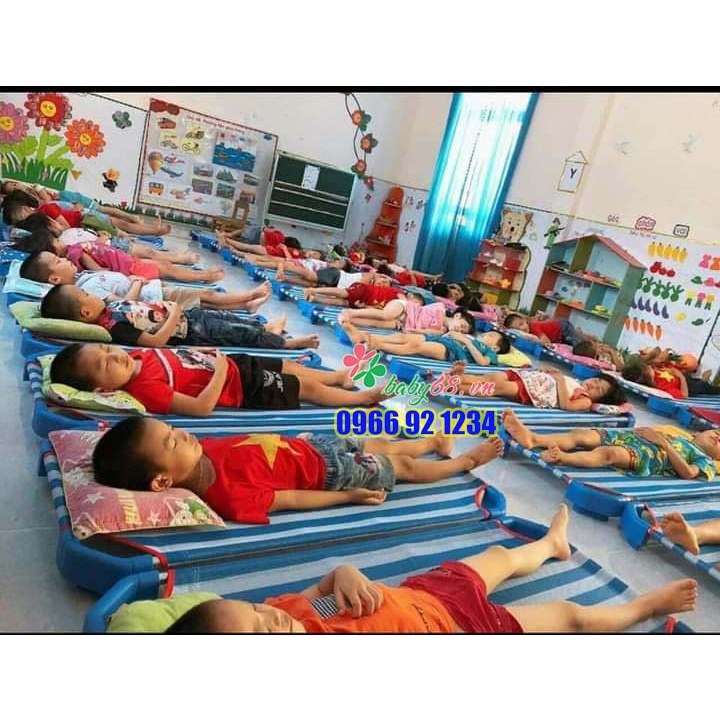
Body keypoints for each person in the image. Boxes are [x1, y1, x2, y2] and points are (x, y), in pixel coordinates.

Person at [159, 504, 698, 633]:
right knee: (568, 615)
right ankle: (645, 607)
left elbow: (320, 590)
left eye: (254, 608)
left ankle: (551, 544)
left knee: (499, 558)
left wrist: (343, 572)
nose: (271, 616)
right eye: (259, 631)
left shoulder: (287, 611)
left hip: (424, 592)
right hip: (461, 627)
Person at [91, 417, 504, 524]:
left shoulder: (200, 450)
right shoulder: (229, 499)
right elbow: (291, 498)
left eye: (172, 430)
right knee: (403, 467)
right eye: (171, 442)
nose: (182, 434)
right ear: (163, 481)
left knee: (376, 442)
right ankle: (465, 461)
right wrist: (347, 495)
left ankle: (433, 442)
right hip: (330, 474)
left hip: (310, 445)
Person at [49, 344, 387, 415]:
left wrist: (204, 353)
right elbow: (200, 409)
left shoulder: (136, 356)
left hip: (229, 364)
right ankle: (362, 399)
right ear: (103, 389)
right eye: (105, 364)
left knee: (287, 365)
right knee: (305, 389)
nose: (114, 355)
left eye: (107, 349)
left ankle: (338, 377)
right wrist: (222, 370)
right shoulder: (145, 390)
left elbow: (177, 356)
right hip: (239, 386)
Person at [40, 284, 319, 350]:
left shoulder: (107, 308)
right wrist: (173, 313)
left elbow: (131, 302)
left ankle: (267, 328)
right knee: (238, 334)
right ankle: (284, 343)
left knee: (232, 320)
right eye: (84, 293)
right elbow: (156, 342)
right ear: (85, 312)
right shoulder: (113, 327)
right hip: (189, 330)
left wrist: (136, 285)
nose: (90, 292)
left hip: (188, 317)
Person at [19, 251, 269, 312]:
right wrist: (137, 283)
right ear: (54, 278)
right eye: (58, 261)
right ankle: (249, 295)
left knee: (202, 303)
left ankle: (244, 306)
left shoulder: (83, 278)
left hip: (153, 290)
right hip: (153, 296)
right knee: (207, 296)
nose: (65, 259)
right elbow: (122, 305)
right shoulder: (87, 289)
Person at [503, 410, 720, 480]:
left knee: (609, 454)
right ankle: (534, 439)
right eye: (718, 433)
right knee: (583, 435)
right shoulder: (681, 435)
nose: (718, 438)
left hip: (648, 456)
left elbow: (689, 473)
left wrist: (664, 444)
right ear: (700, 432)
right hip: (633, 438)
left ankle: (562, 457)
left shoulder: (706, 460)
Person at [13, 219, 199, 265]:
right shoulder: (69, 248)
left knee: (149, 253)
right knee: (148, 256)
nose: (57, 223)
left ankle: (177, 257)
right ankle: (179, 259)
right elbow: (94, 248)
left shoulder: (67, 237)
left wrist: (101, 236)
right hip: (113, 249)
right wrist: (102, 239)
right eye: (55, 242)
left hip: (114, 246)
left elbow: (90, 238)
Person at [447, 364, 626, 410]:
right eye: (596, 381)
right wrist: (548, 372)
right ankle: (457, 378)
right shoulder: (576, 382)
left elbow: (566, 405)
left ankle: (455, 387)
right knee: (490, 377)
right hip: (529, 377)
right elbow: (555, 378)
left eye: (598, 389)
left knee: (496, 387)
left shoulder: (585, 400)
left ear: (599, 399)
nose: (593, 384)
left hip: (532, 391)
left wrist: (559, 380)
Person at [343, 319, 510, 366]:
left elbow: (482, 362)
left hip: (450, 351)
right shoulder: (472, 337)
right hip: (442, 339)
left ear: (495, 347)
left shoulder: (488, 351)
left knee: (417, 347)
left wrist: (467, 342)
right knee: (404, 337)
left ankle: (375, 344)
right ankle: (363, 337)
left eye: (490, 335)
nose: (485, 334)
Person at [3, 192, 170, 236]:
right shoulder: (38, 218)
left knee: (122, 226)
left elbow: (65, 225)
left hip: (88, 219)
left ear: (25, 209)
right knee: (121, 227)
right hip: (85, 223)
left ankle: (154, 230)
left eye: (20, 218)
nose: (22, 222)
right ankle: (152, 231)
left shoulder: (46, 209)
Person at [0, 180, 146, 225]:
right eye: (12, 189)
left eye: (14, 184)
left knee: (102, 209)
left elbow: (48, 201)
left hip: (66, 199)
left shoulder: (35, 187)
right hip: (64, 208)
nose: (16, 186)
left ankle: (131, 217)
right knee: (105, 218)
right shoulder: (23, 201)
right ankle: (128, 224)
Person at [622, 359, 720, 399]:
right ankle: (703, 381)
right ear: (645, 376)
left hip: (686, 379)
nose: (649, 366)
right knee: (707, 387)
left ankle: (702, 379)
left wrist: (669, 369)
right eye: (648, 368)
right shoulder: (662, 386)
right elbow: (684, 395)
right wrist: (681, 377)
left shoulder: (655, 374)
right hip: (691, 387)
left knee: (697, 381)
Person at [504, 313, 588, 347]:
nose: (522, 329)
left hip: (563, 327)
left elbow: (546, 341)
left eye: (521, 324)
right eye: (518, 329)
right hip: (558, 337)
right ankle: (579, 333)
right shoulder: (528, 334)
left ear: (525, 320)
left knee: (580, 346)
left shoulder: (534, 327)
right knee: (569, 347)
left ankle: (590, 346)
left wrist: (541, 343)